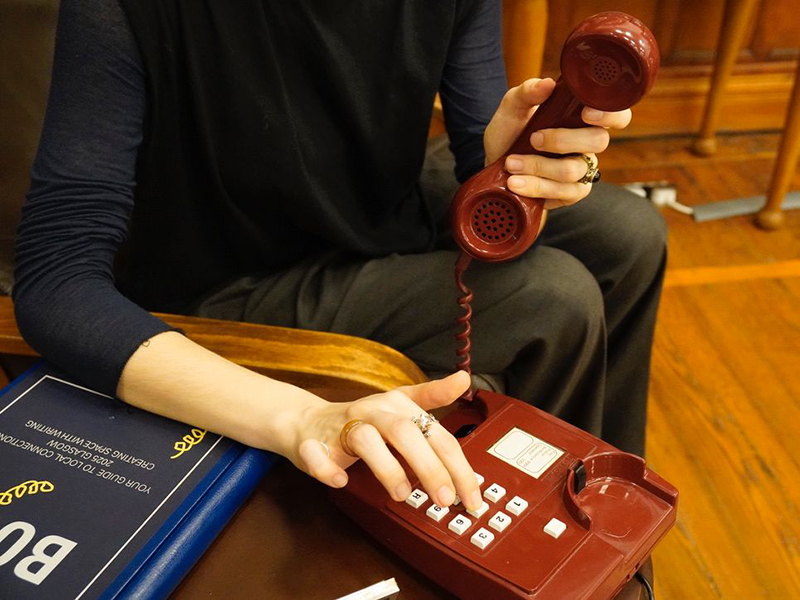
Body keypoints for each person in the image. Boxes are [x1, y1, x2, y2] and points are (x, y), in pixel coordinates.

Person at [12, 0, 665, 514]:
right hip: (226, 279)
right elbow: (57, 279)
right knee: (552, 299)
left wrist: (513, 161)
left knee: (629, 234)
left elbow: (476, 161)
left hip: (375, 213)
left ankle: (604, 515)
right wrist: (303, 418)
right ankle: (518, 533)